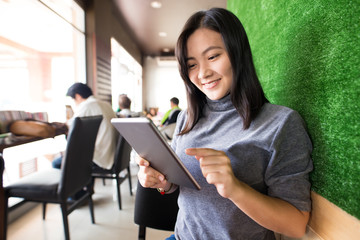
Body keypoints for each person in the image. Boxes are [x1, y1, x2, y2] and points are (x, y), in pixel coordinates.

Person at [136, 8, 313, 240]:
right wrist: (161, 182)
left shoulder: (281, 124)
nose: (203, 74)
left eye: (212, 57)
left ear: (238, 53)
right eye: (191, 65)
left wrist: (236, 189)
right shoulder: (186, 118)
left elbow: (295, 224)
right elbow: (181, 187)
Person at [52, 83, 118, 170]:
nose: (74, 103)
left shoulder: (87, 105)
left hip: (100, 157)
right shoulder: (106, 104)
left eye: (73, 99)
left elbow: (70, 125)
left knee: (56, 163)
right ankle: (85, 182)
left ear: (78, 96)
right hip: (113, 154)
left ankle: (79, 182)